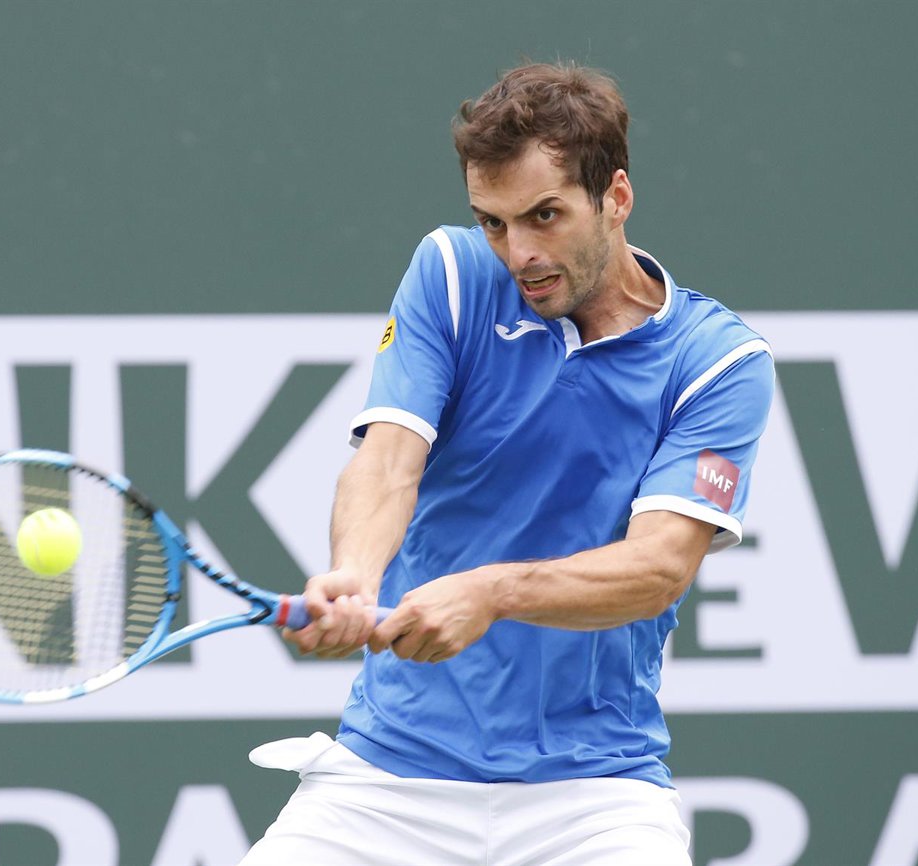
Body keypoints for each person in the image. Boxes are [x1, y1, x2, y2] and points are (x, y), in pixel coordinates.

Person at [241, 61, 775, 866]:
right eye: (493, 222)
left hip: (596, 795)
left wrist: (491, 593)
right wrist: (354, 574)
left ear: (617, 197)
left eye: (544, 215)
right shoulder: (453, 275)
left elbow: (659, 568)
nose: (518, 252)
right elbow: (388, 463)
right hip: (387, 778)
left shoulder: (717, 362)